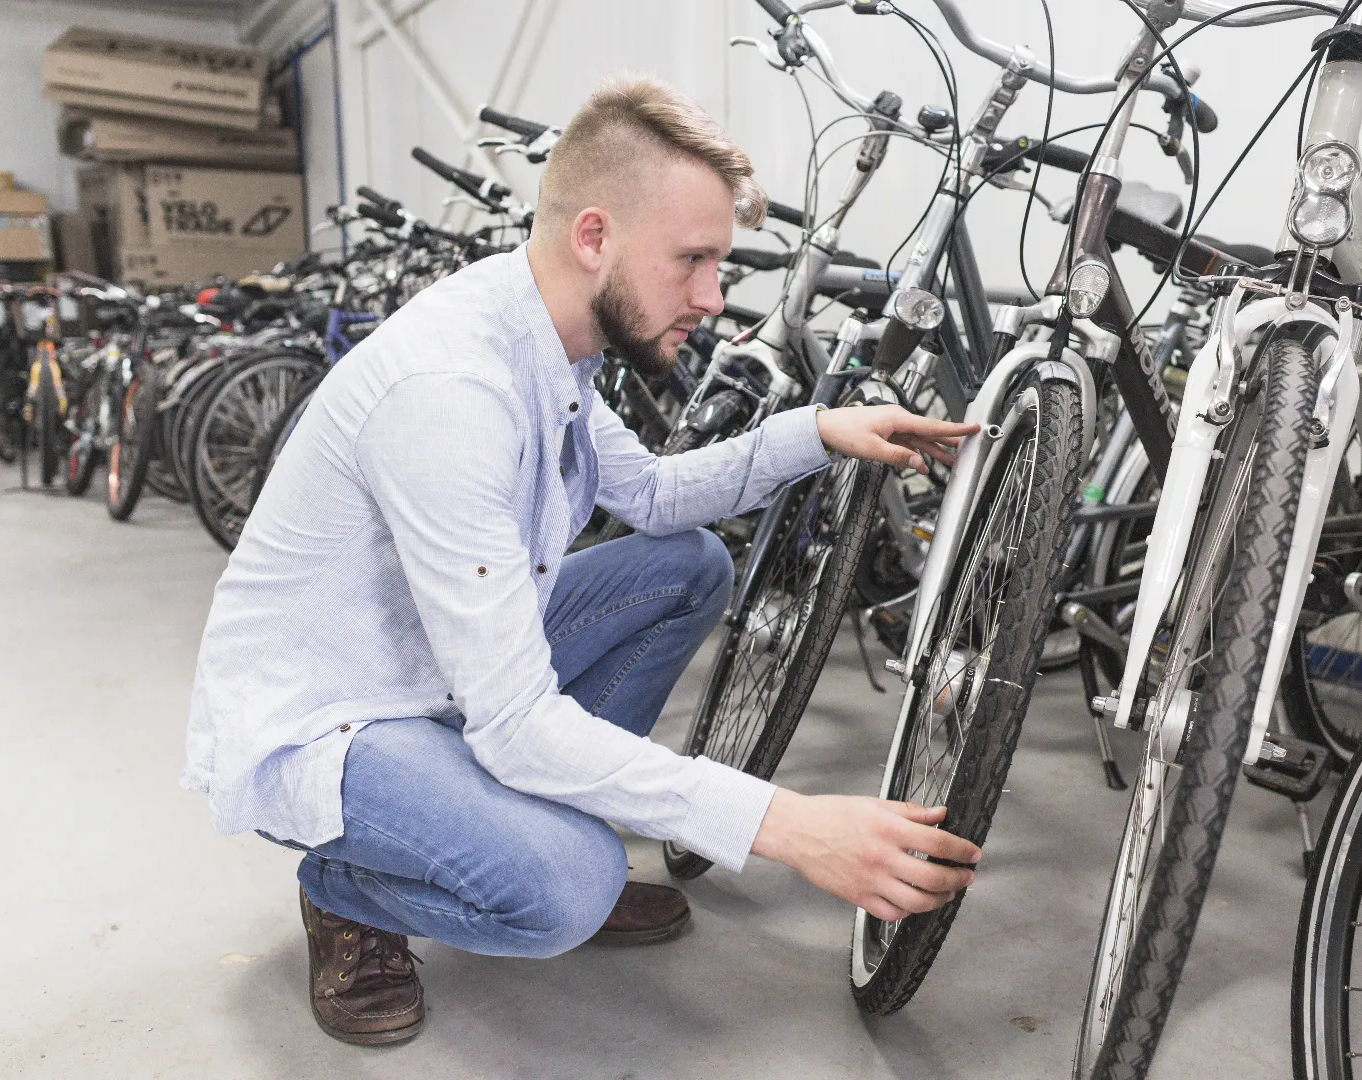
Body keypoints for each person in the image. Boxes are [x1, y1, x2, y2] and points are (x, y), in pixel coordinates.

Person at [182, 75, 983, 1046]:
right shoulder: (453, 393)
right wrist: (788, 826)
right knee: (567, 887)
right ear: (594, 237)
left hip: (439, 672)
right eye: (692, 261)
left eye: (718, 265)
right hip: (338, 714)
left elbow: (650, 494)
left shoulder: (553, 341)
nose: (713, 299)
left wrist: (819, 430)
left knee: (686, 566)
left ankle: (523, 826)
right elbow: (516, 723)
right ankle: (349, 892)